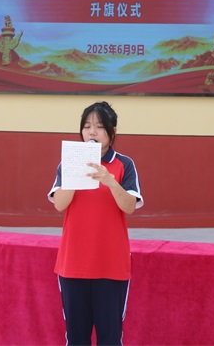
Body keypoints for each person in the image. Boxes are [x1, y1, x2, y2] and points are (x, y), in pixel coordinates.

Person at [48, 101, 143, 346]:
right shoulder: (67, 163)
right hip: (73, 265)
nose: (92, 132)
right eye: (87, 126)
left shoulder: (124, 164)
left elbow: (130, 206)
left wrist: (110, 181)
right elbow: (60, 204)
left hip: (111, 266)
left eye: (99, 127)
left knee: (110, 339)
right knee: (76, 338)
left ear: (112, 132)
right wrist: (74, 171)